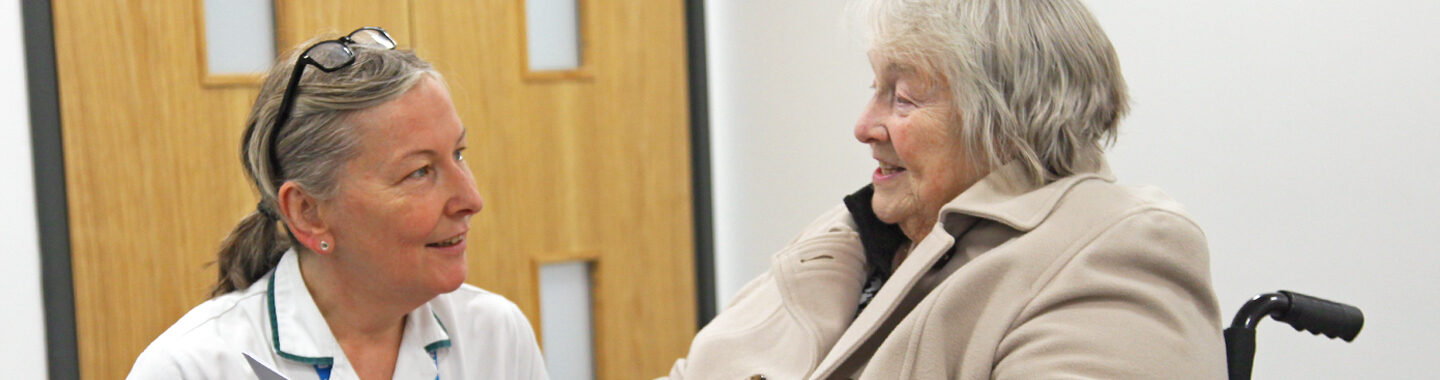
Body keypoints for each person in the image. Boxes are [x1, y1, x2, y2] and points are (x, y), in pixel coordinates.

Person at [664, 1, 1226, 379]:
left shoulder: (1116, 251)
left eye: (903, 98)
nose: (864, 126)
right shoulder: (854, 234)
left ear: (1006, 119)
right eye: (875, 88)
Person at [128, 27, 549, 379]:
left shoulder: (496, 336)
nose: (470, 200)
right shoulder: (192, 368)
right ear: (308, 214)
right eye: (418, 172)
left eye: (458, 153)